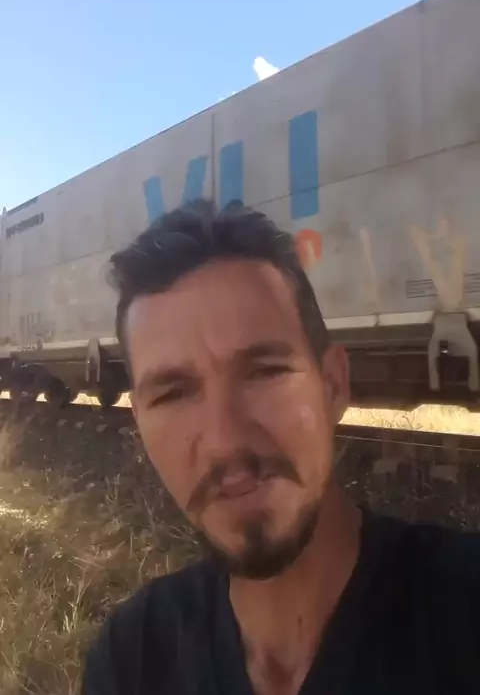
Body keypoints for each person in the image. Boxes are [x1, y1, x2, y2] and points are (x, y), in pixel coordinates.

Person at [82, 199, 480, 695]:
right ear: (140, 423)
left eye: (264, 371)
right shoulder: (132, 658)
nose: (224, 442)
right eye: (172, 394)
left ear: (333, 385)